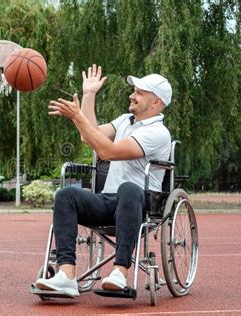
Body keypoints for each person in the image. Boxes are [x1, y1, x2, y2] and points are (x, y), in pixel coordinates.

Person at [36, 64, 172, 297]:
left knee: (128, 188)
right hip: (108, 202)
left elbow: (107, 151)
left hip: (139, 205)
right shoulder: (124, 121)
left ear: (156, 102)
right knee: (66, 195)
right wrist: (89, 95)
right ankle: (66, 275)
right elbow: (89, 135)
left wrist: (78, 116)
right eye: (135, 90)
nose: (132, 94)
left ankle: (119, 272)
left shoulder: (158, 133)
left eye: (139, 92)